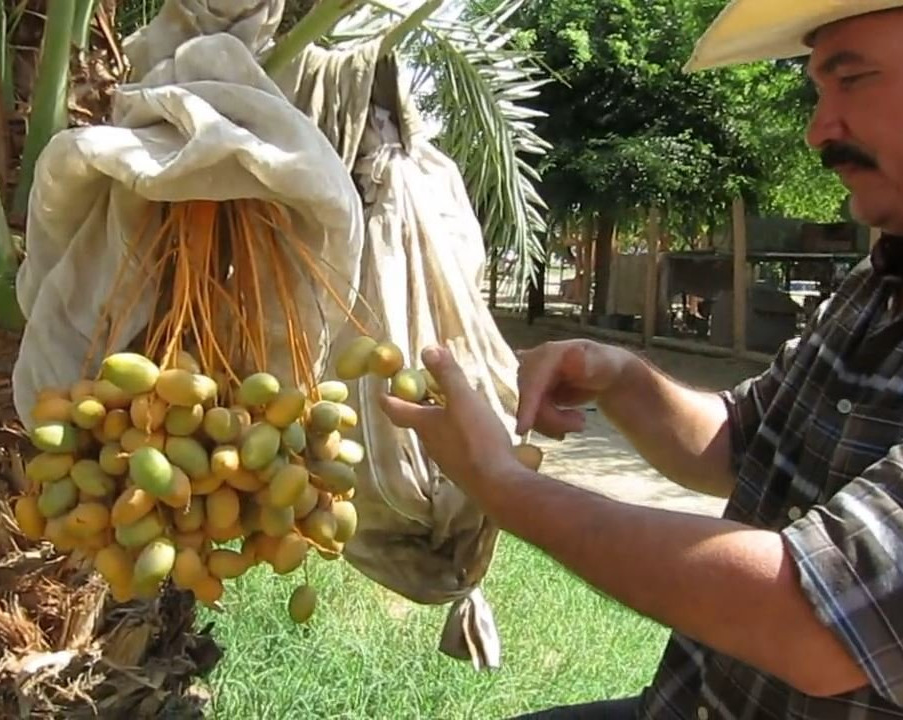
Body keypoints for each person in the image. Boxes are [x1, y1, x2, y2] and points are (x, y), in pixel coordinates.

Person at [380, 2, 903, 718]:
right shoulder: (880, 282)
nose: (819, 129)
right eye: (819, 90)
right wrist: (620, 377)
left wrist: (502, 485)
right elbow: (744, 440)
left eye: (853, 80)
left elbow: (812, 622)